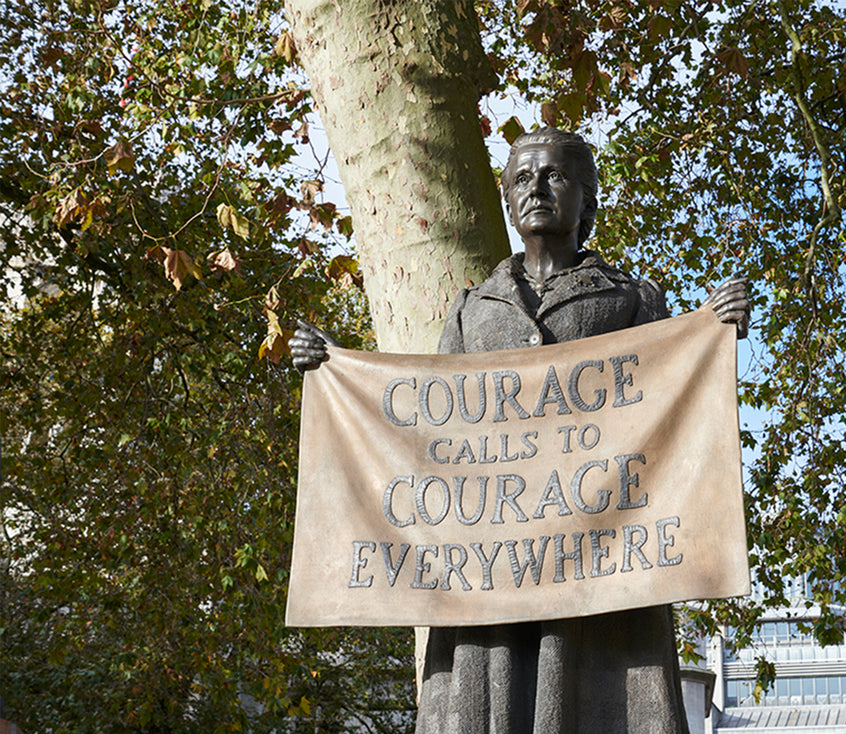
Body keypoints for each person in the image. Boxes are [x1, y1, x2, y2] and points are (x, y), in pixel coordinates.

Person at [290, 128, 749, 733]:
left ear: (586, 199)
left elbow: (675, 414)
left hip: (603, 571)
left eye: (556, 175)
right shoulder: (471, 309)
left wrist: (710, 335)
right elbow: (425, 433)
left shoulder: (632, 300)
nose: (537, 188)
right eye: (522, 178)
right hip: (487, 587)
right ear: (506, 200)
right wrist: (336, 369)